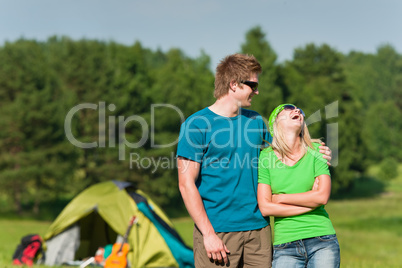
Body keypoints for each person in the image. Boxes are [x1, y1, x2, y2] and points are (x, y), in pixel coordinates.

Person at [177, 54, 332, 267]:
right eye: (253, 85)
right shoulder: (196, 125)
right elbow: (186, 184)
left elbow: (286, 150)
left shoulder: (256, 121)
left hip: (259, 232)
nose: (257, 91)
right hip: (218, 232)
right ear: (233, 85)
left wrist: (316, 150)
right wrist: (208, 234)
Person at [257, 104, 340, 268]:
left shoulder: (317, 150)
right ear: (276, 123)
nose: (297, 110)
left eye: (299, 110)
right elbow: (266, 208)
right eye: (288, 108)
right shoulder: (265, 157)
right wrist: (310, 203)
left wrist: (280, 198)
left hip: (322, 238)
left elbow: (322, 197)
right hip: (285, 244)